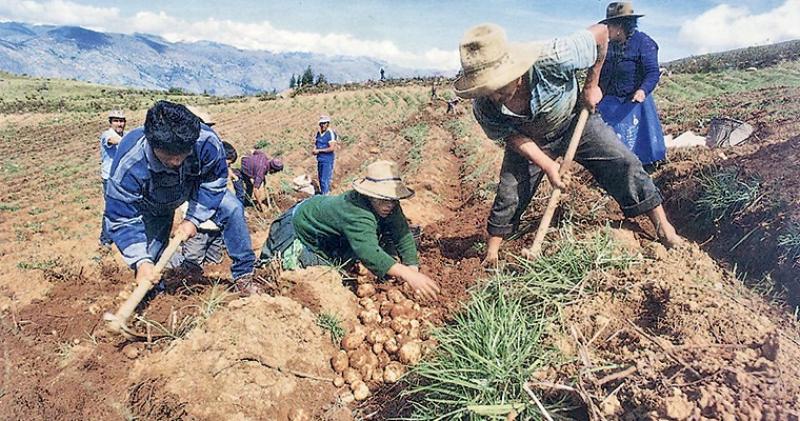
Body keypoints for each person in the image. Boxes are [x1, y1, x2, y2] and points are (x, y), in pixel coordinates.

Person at [453, 23, 682, 266]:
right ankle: (492, 252)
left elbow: (602, 33)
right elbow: (512, 138)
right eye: (486, 89)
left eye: (498, 87)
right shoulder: (483, 106)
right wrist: (548, 165)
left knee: (623, 162)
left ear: (516, 73)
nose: (494, 96)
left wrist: (592, 85)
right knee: (510, 191)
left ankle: (665, 229)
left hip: (575, 121)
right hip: (532, 138)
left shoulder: (555, 57)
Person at [104, 101, 260, 295]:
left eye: (183, 154)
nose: (177, 161)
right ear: (153, 143)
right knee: (148, 259)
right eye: (169, 156)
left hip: (193, 187)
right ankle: (155, 294)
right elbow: (121, 217)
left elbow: (214, 181)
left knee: (233, 208)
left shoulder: (206, 141)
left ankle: (244, 275)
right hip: (154, 201)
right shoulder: (129, 164)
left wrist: (194, 218)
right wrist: (140, 261)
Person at [259, 160, 440, 300]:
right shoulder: (357, 212)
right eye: (383, 200)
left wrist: (413, 268)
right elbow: (368, 252)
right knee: (327, 280)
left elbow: (401, 233)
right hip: (300, 228)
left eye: (392, 200)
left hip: (327, 224)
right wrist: (406, 274)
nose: (389, 205)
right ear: (369, 194)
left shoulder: (389, 203)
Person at [597, 2, 666, 171]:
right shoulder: (607, 46)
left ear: (619, 26)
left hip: (634, 103)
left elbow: (652, 73)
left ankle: (645, 169)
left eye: (609, 26)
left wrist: (642, 90)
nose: (606, 30)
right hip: (610, 103)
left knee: (640, 149)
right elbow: (600, 74)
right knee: (609, 150)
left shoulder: (643, 42)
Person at [99, 109, 126, 246]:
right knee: (111, 208)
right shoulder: (107, 135)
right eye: (116, 121)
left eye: (121, 121)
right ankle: (105, 240)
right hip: (110, 178)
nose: (119, 124)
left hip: (123, 177)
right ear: (111, 123)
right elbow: (113, 140)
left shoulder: (126, 135)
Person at [313, 115, 338, 194]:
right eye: (321, 123)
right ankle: (323, 194)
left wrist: (319, 151)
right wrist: (315, 150)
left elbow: (332, 148)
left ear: (328, 123)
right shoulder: (319, 133)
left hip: (327, 160)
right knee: (320, 179)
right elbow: (317, 144)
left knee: (325, 180)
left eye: (324, 123)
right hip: (320, 159)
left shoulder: (331, 133)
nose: (322, 125)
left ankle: (325, 196)